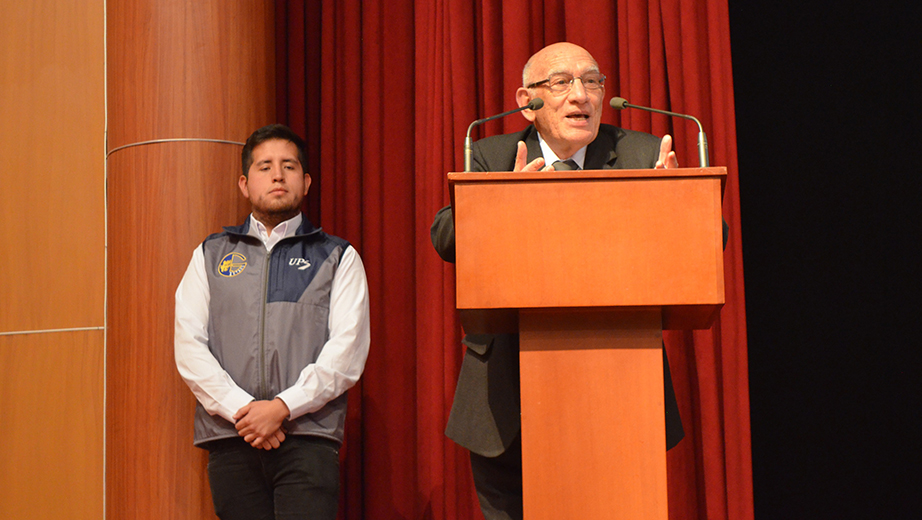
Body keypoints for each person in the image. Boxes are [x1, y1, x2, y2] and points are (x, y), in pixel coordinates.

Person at [430, 42, 686, 520]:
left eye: (592, 81)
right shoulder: (492, 153)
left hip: (620, 387)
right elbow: (444, 237)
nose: (581, 96)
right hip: (507, 392)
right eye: (562, 83)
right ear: (528, 99)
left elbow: (712, 236)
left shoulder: (641, 153)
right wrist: (502, 203)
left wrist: (673, 205)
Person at [174, 124, 370, 520]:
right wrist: (246, 410)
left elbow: (346, 352)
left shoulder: (337, 256)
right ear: (245, 184)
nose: (278, 175)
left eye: (289, 166)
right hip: (233, 436)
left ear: (306, 181)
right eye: (265, 166)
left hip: (308, 437)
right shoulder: (210, 254)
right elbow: (189, 346)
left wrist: (282, 407)